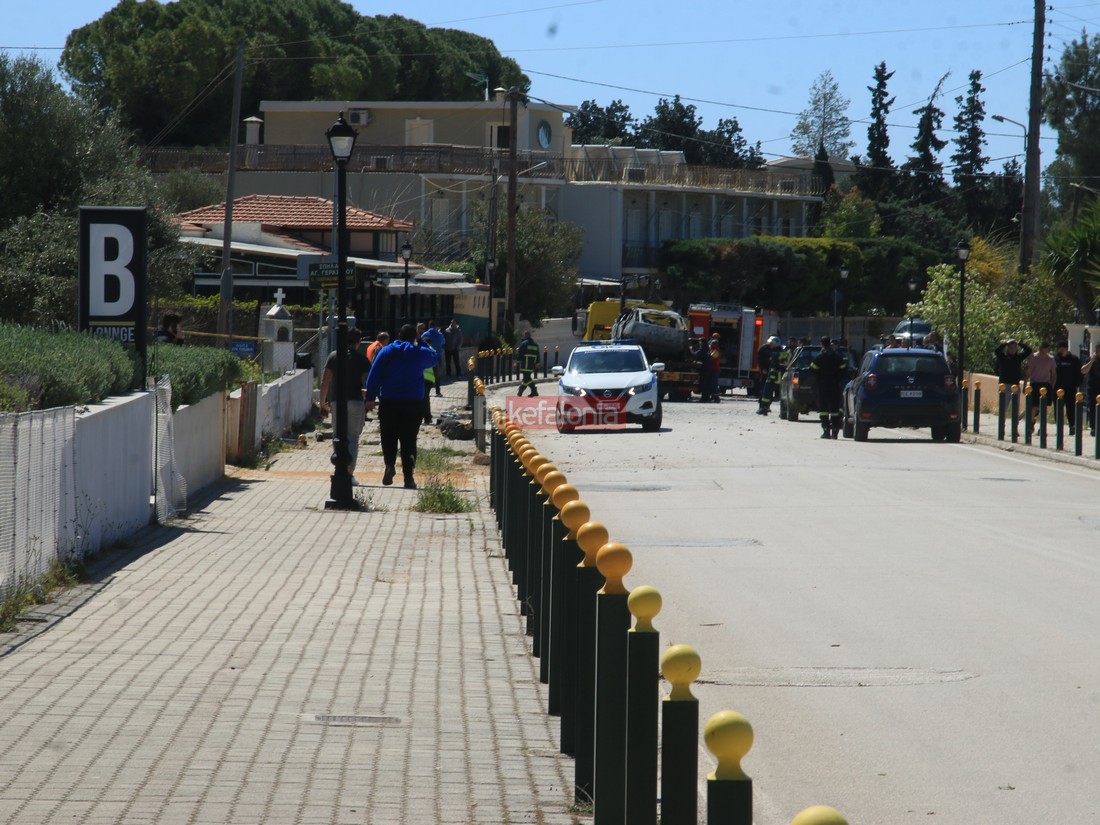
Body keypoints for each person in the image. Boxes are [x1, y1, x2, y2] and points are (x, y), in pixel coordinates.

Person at [364, 324, 442, 489]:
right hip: (413, 403)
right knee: (409, 439)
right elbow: (435, 356)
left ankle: (389, 465)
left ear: (399, 335)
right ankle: (408, 478)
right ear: (415, 337)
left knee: (388, 436)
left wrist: (370, 397)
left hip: (389, 401)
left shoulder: (387, 351)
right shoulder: (419, 352)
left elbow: (374, 374)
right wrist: (421, 341)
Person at [318, 327, 371, 484]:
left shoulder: (334, 356)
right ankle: (349, 472)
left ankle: (339, 468)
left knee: (338, 435)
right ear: (358, 342)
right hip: (355, 400)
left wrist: (322, 402)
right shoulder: (361, 358)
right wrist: (368, 394)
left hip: (336, 401)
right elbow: (372, 379)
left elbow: (325, 381)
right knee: (353, 437)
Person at [811, 336, 848, 439]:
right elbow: (844, 369)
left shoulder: (819, 356)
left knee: (823, 409)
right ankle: (835, 431)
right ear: (830, 344)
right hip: (835, 385)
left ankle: (826, 431)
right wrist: (838, 377)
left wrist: (819, 376)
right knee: (835, 409)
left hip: (823, 386)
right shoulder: (837, 356)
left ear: (822, 344)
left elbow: (812, 369)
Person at [1025, 342, 1056, 432]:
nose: (1045, 349)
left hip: (1045, 384)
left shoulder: (1051, 359)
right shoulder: (1033, 357)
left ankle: (1042, 428)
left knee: (1044, 407)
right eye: (1043, 347)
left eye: (1046, 348)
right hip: (1035, 383)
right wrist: (1025, 385)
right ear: (1040, 348)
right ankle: (1031, 422)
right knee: (1033, 406)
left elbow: (1054, 373)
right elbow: (1028, 372)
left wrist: (1052, 385)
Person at [1053, 340, 1082, 435]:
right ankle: (1059, 427)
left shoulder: (1074, 359)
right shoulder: (1055, 358)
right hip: (1057, 388)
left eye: (1059, 348)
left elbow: (1079, 372)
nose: (1058, 350)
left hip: (1070, 388)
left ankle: (1072, 426)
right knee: (1058, 408)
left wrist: (1077, 383)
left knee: (1071, 408)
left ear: (1064, 348)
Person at [756, 335, 782, 415]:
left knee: (771, 391)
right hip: (765, 372)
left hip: (775, 374)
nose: (773, 345)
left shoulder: (779, 349)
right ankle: (761, 406)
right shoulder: (763, 349)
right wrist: (763, 368)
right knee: (763, 390)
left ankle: (767, 406)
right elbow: (760, 359)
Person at [422, 320, 446, 397]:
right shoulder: (440, 334)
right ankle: (437, 392)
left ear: (429, 325)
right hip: (437, 356)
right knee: (437, 375)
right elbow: (443, 342)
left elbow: (421, 343)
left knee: (427, 374)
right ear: (435, 326)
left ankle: (426, 392)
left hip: (427, 356)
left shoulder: (425, 334)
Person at [1081, 341, 1100, 436]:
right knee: (1092, 407)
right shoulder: (1090, 359)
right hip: (1092, 387)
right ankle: (1093, 427)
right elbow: (1083, 371)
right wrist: (1091, 361)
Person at [515, 330, 540, 397]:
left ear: (525, 335)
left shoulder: (524, 344)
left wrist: (517, 362)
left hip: (525, 364)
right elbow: (538, 355)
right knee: (527, 378)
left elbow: (520, 354)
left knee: (526, 379)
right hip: (531, 365)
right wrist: (537, 364)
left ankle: (521, 390)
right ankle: (534, 391)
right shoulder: (535, 345)